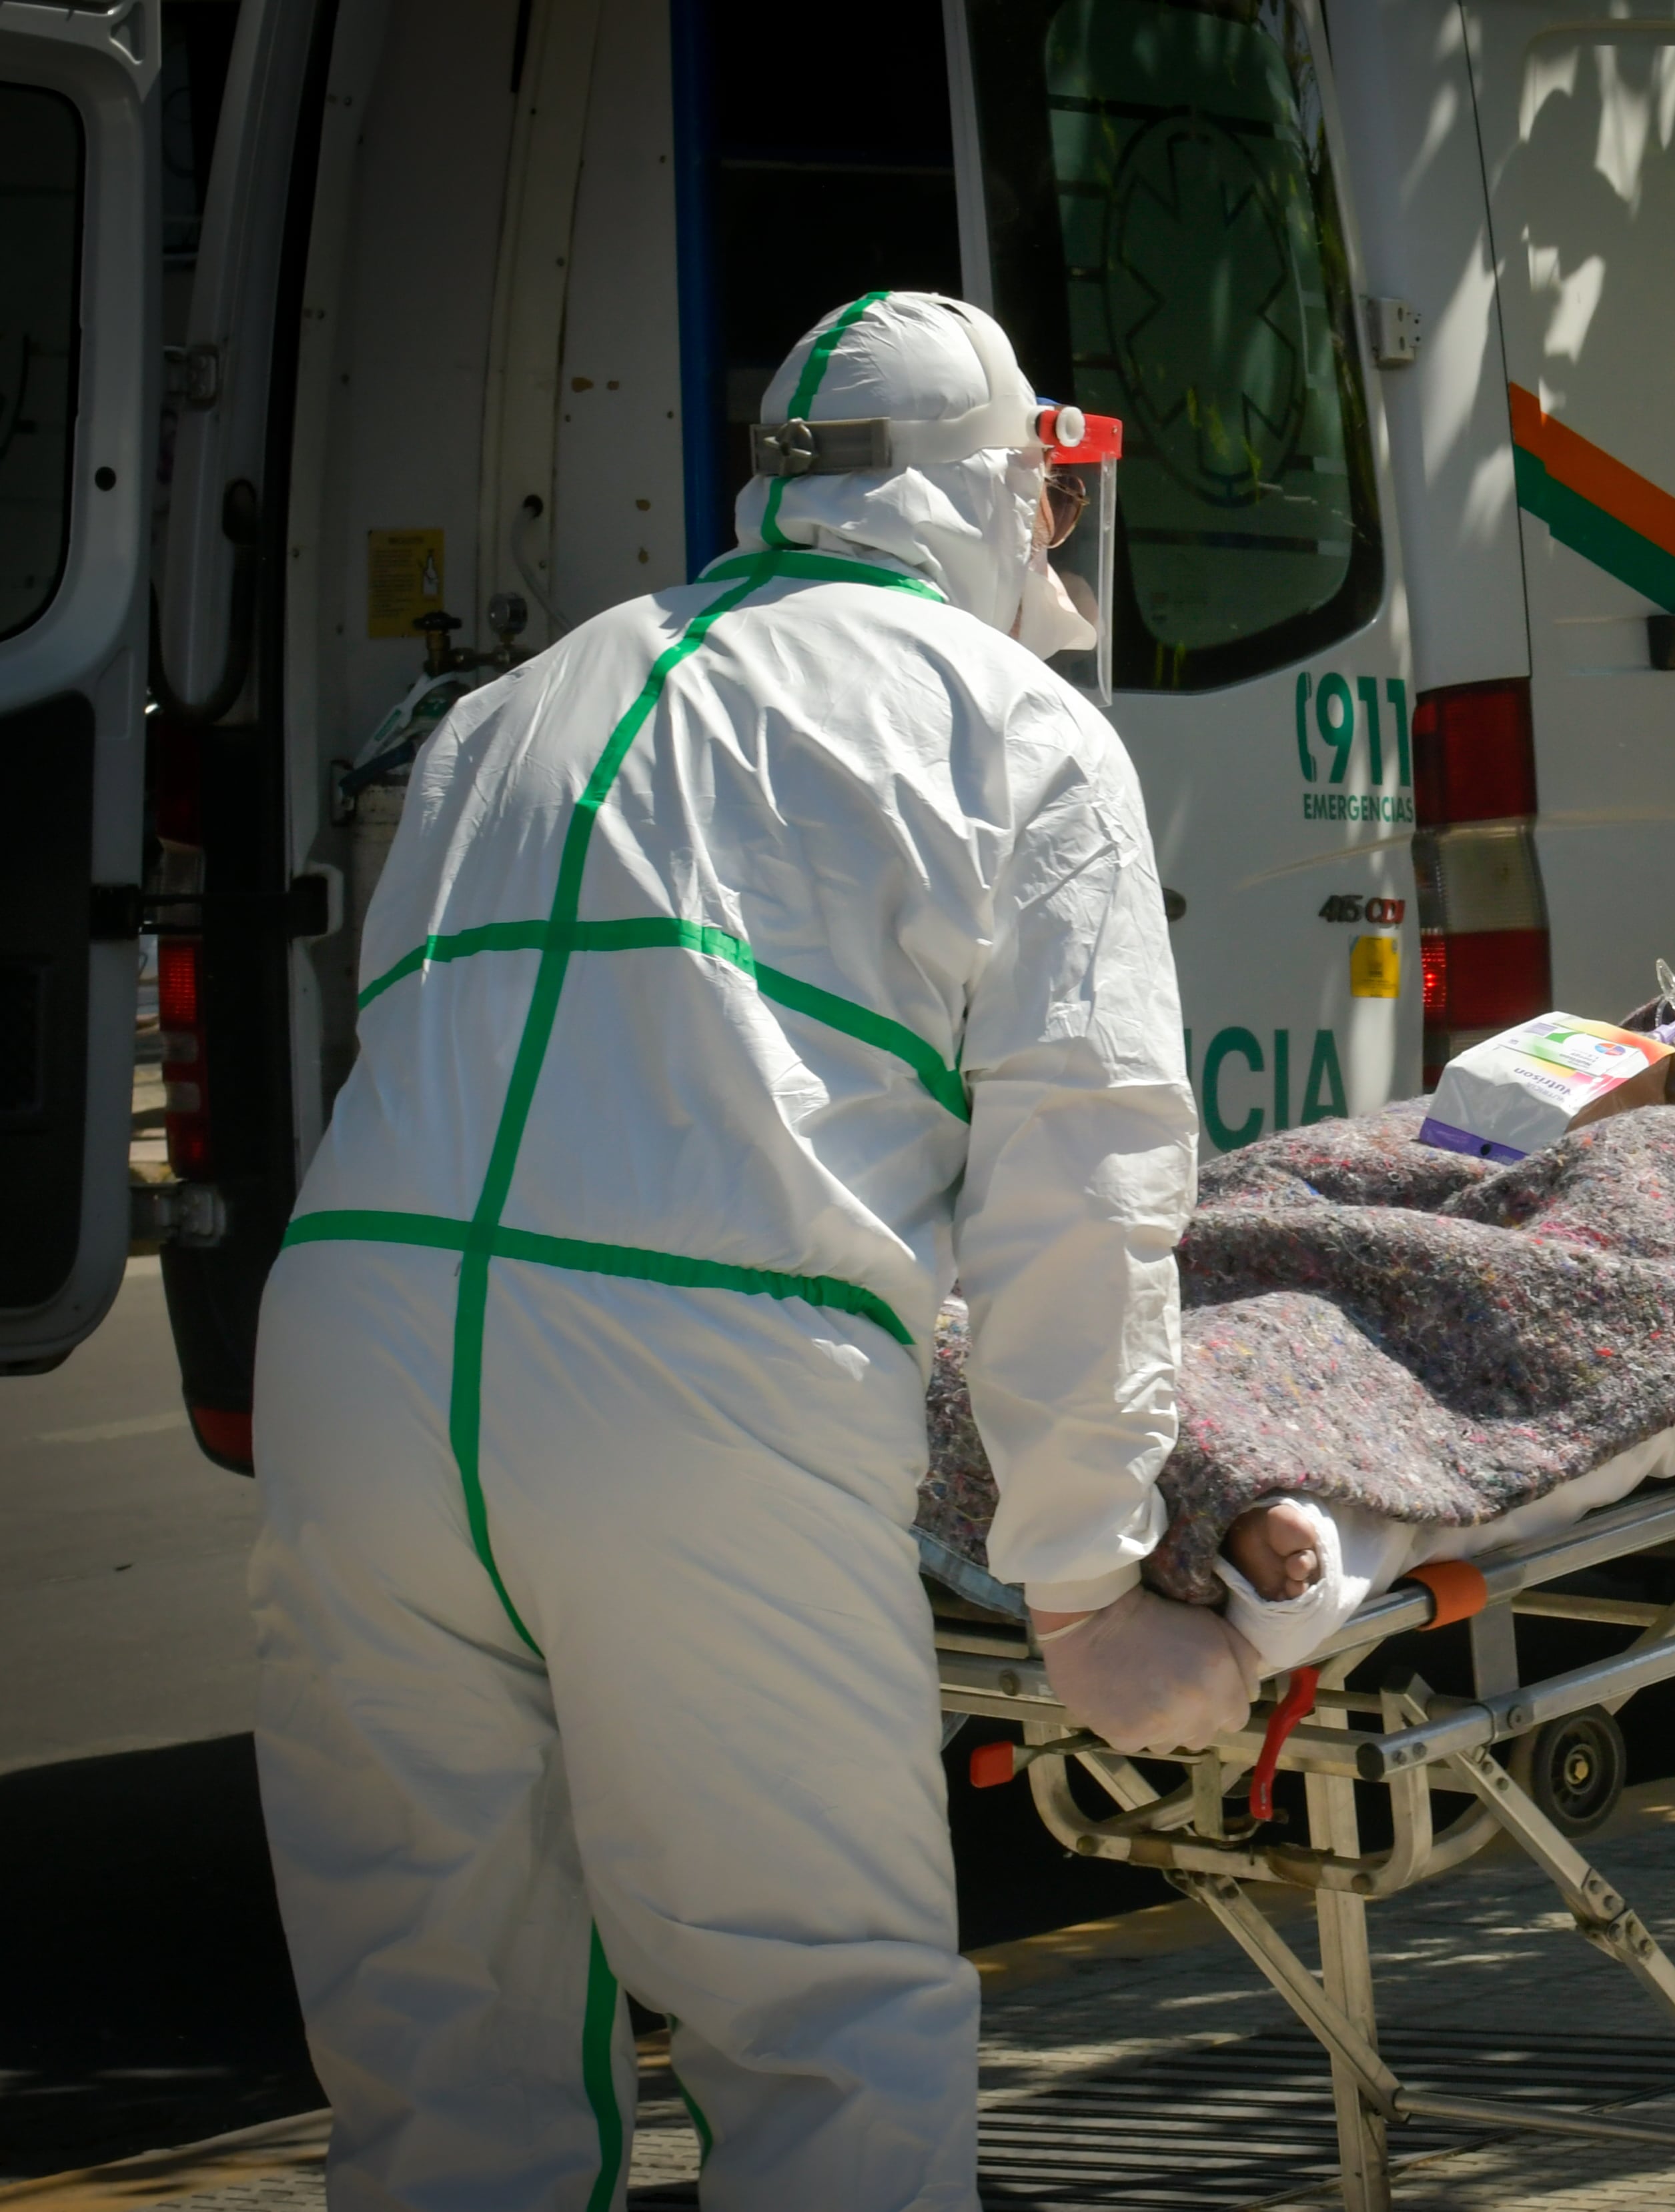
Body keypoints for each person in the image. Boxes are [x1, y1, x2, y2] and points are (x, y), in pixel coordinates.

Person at [249, 290, 1205, 2209]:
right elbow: (1085, 1175)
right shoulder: (1015, 726)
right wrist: (1090, 1581)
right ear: (1007, 492)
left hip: (352, 1359)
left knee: (443, 2048)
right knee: (821, 2027)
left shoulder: (530, 695)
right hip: (696, 1390)